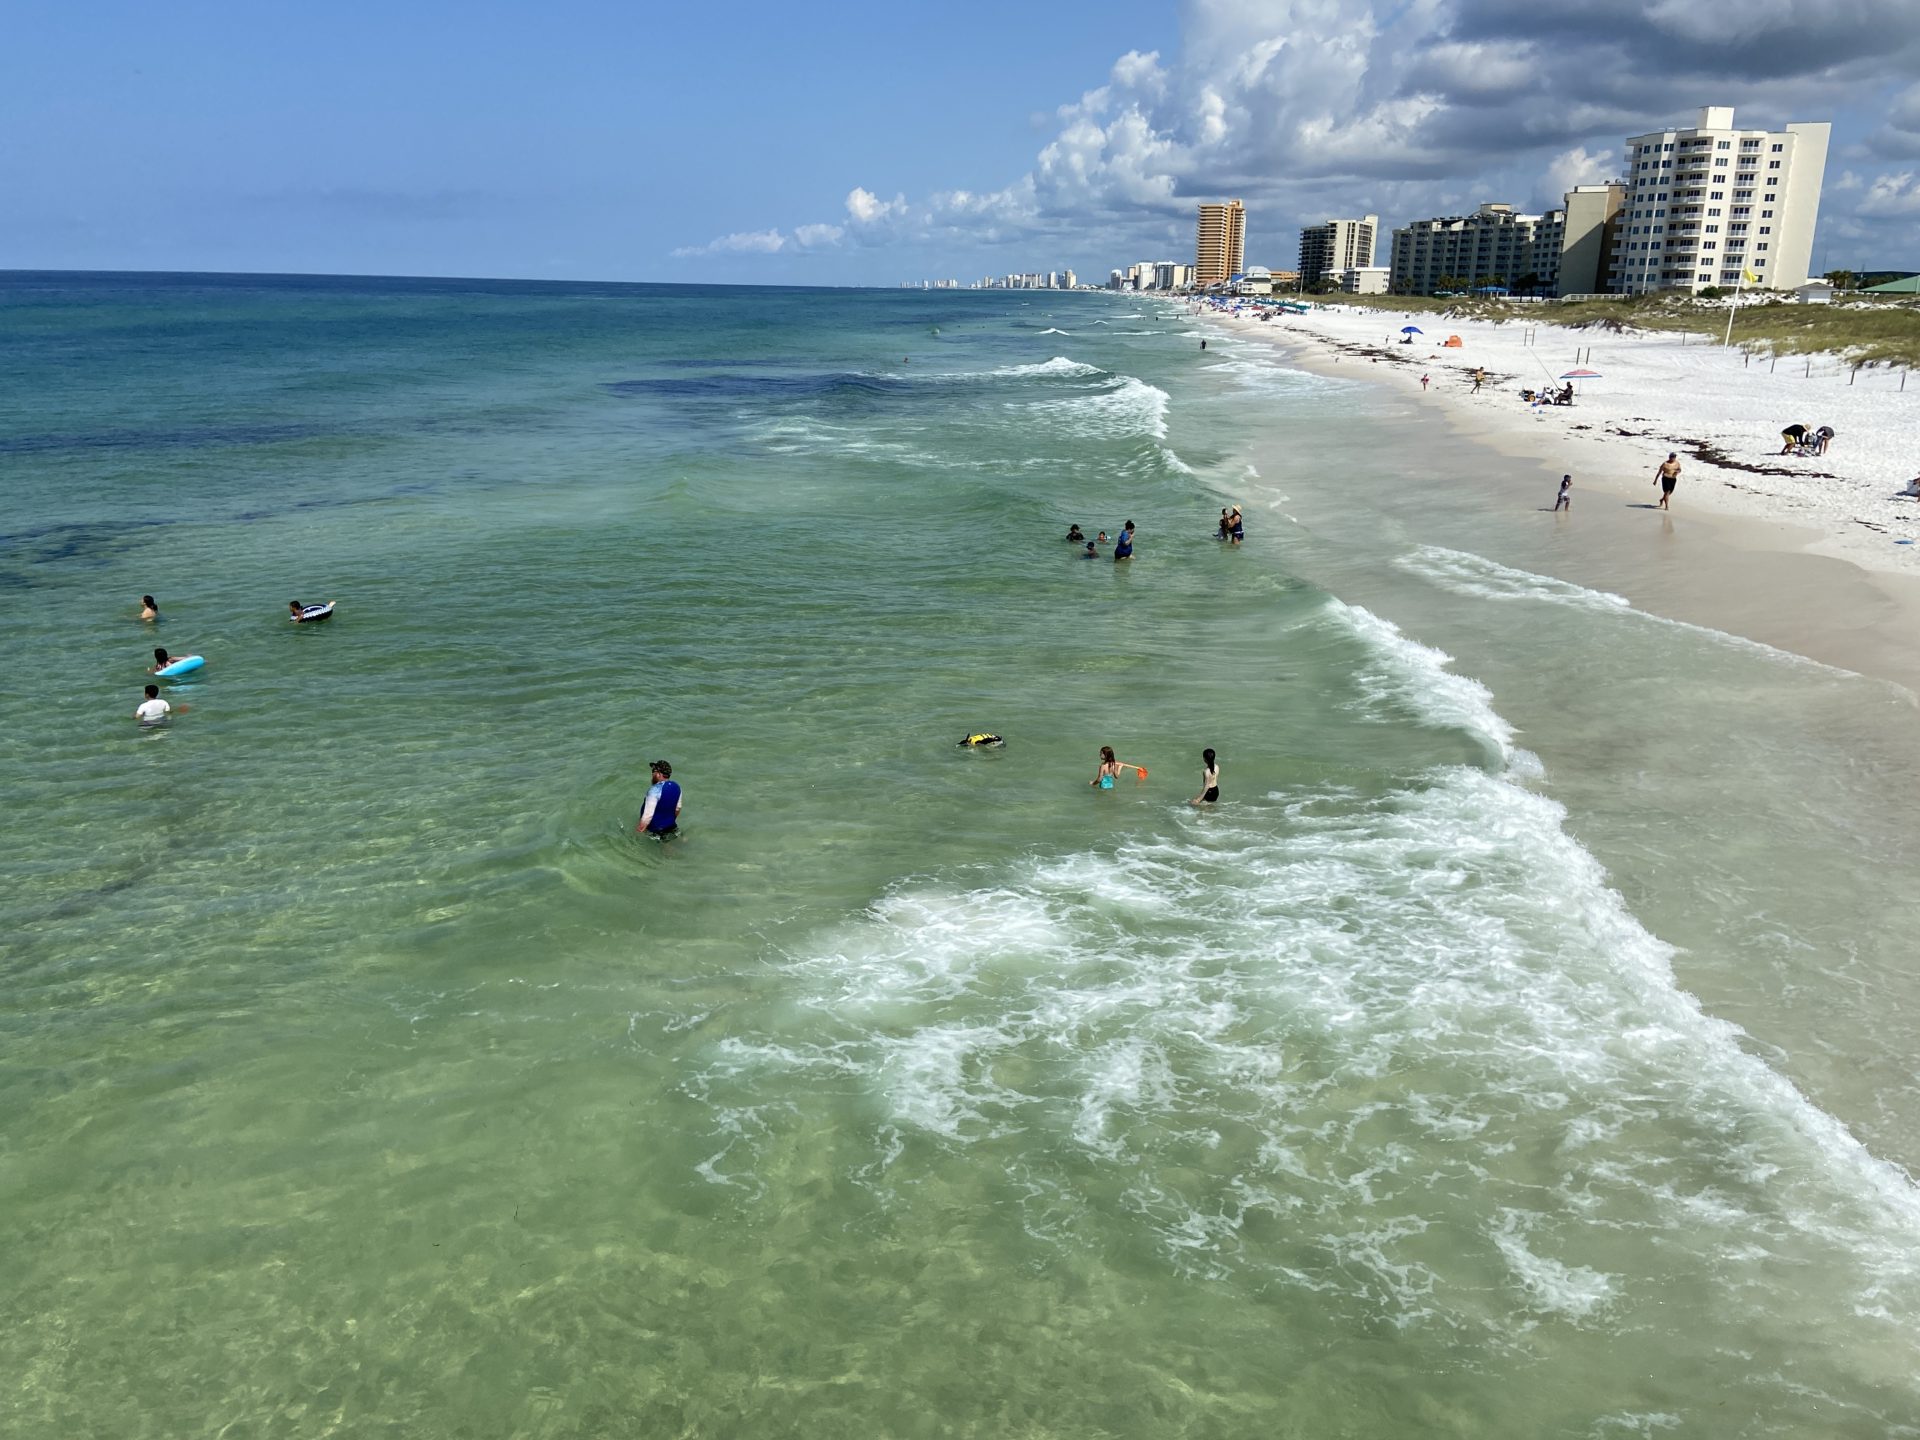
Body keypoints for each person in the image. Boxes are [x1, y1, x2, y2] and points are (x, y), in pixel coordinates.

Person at [635, 760, 682, 837]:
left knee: (668, 848)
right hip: (672, 825)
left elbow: (647, 816)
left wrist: (637, 833)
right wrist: (669, 821)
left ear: (658, 774)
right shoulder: (676, 786)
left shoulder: (654, 790)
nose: (652, 774)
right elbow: (678, 808)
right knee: (680, 841)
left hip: (656, 830)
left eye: (653, 771)